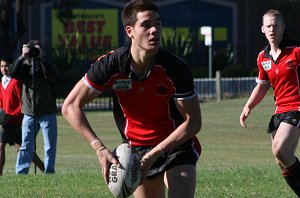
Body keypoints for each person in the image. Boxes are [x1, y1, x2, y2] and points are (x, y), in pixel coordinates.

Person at [62, 0, 202, 197]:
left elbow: (193, 122)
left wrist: (155, 154)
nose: (154, 30)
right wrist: (99, 148)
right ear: (130, 31)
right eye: (146, 25)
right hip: (136, 150)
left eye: (158, 23)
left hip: (175, 145)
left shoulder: (175, 68)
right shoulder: (111, 65)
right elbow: (70, 106)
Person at [240, 9, 300, 196]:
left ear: (283, 27)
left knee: (280, 149)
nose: (272, 29)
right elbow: (262, 86)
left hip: (297, 107)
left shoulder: (296, 51)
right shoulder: (262, 57)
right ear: (262, 30)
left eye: (275, 25)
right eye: (268, 26)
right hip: (279, 111)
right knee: (280, 159)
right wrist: (248, 106)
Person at [10, 40, 58, 174]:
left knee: (49, 146)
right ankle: (21, 172)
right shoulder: (25, 64)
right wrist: (22, 57)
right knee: (26, 145)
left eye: (37, 49)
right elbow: (13, 73)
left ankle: (49, 172)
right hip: (29, 112)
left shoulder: (45, 62)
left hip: (47, 111)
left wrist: (42, 58)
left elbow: (52, 76)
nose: (34, 52)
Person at [0, 57, 45, 175]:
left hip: (15, 120)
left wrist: (11, 116)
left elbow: (22, 103)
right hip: (6, 120)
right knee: (23, 148)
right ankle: (45, 169)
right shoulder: (2, 82)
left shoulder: (15, 82)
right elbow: (1, 103)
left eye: (7, 66)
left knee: (1, 144)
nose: (4, 68)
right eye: (2, 66)